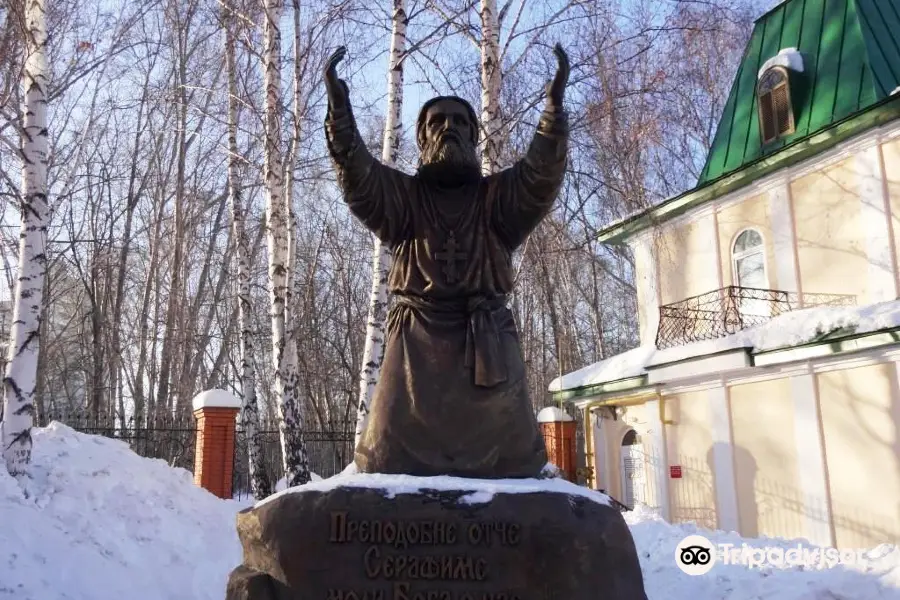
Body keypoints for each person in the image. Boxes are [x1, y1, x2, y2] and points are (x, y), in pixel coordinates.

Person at [324, 44, 570, 479]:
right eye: (437, 122)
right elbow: (358, 174)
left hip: (486, 345)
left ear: (473, 136)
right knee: (382, 462)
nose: (449, 129)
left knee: (515, 472)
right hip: (415, 350)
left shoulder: (498, 200)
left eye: (460, 122)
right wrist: (340, 111)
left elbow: (540, 176)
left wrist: (552, 113)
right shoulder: (403, 198)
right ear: (422, 138)